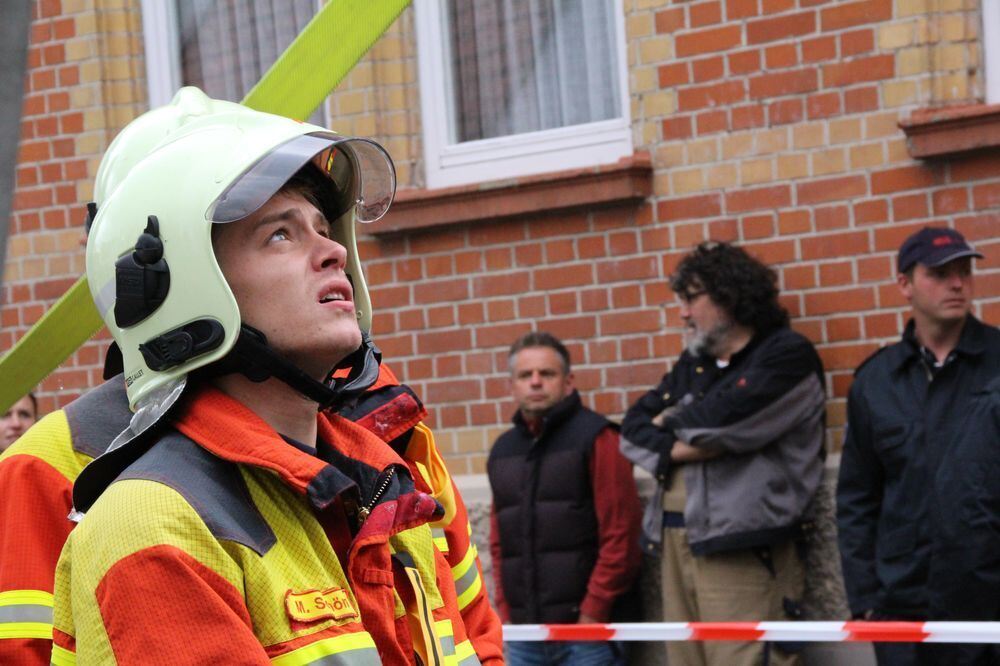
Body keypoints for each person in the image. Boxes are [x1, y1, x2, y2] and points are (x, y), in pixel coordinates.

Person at [48, 87, 501, 664]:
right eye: (281, 234)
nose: (332, 252)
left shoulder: (383, 489)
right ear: (185, 285)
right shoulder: (154, 526)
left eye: (323, 227)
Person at [620, 241, 825, 666]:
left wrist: (672, 423)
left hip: (745, 548)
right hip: (677, 540)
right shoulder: (694, 365)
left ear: (730, 296)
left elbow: (719, 425)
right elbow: (632, 431)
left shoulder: (786, 357)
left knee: (745, 659)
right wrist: (684, 446)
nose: (683, 313)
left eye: (692, 298)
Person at [837, 226, 999, 666]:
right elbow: (856, 499)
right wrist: (866, 601)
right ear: (904, 284)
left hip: (988, 609)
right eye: (940, 273)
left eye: (964, 271)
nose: (956, 283)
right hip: (904, 612)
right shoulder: (876, 382)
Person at [488, 331, 641, 666]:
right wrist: (505, 611)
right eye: (526, 375)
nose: (536, 382)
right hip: (526, 636)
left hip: (588, 636)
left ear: (568, 381)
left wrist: (592, 614)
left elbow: (622, 536)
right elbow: (500, 542)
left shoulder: (598, 438)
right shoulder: (503, 451)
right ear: (512, 385)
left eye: (547, 374)